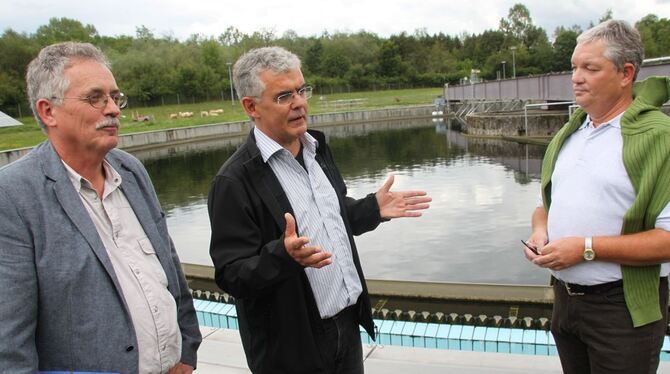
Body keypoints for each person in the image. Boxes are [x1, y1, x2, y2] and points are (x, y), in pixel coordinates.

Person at [208, 46, 431, 374]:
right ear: (251, 106)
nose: (299, 102)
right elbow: (231, 275)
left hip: (347, 326)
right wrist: (283, 257)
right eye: (284, 96)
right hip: (291, 349)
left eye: (301, 90)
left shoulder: (317, 149)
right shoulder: (234, 181)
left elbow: (332, 215)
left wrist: (372, 209)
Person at [0, 42, 201, 373]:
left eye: (114, 97)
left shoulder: (131, 170)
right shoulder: (13, 196)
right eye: (95, 98)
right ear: (48, 111)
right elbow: (9, 345)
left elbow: (170, 270)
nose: (113, 109)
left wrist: (186, 353)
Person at [525, 20, 670, 374]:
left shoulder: (659, 138)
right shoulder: (570, 133)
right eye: (574, 67)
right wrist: (540, 231)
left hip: (620, 310)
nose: (576, 77)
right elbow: (546, 206)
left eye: (590, 68)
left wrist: (587, 248)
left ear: (626, 74)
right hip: (566, 303)